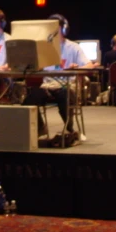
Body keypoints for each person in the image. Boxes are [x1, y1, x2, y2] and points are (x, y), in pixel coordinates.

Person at [22, 14, 94, 146]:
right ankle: (40, 128)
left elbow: (89, 65)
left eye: (56, 28)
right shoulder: (43, 48)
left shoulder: (73, 47)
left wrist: (77, 67)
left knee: (64, 94)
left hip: (67, 85)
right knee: (30, 99)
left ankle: (70, 128)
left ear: (63, 29)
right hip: (48, 85)